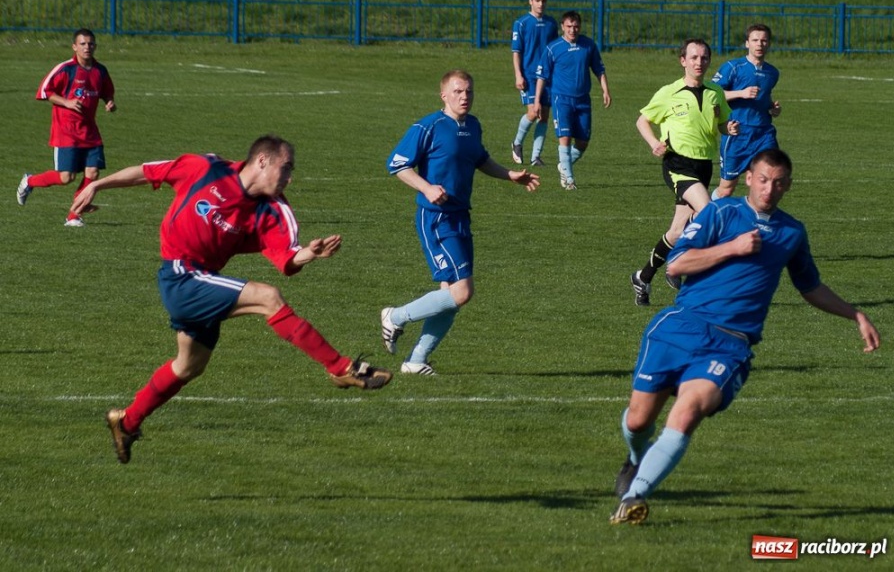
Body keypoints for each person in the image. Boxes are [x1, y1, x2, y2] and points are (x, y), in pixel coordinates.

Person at [69, 135, 392, 464]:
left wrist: (308, 254)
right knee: (268, 297)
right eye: (286, 168)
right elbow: (147, 172)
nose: (289, 178)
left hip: (201, 282)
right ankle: (340, 368)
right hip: (181, 275)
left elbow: (287, 258)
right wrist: (97, 185)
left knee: (188, 366)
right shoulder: (205, 169)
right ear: (262, 161)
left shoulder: (274, 210)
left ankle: (126, 422)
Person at [610, 149, 881, 525]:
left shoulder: (791, 232)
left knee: (687, 413)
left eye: (779, 183)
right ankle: (636, 458)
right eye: (764, 180)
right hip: (680, 327)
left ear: (788, 186)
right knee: (639, 422)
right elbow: (676, 264)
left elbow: (810, 286)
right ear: (750, 179)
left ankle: (634, 497)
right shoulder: (720, 213)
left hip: (730, 344)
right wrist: (732, 248)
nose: (770, 189)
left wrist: (855, 314)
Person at [380, 70, 540, 375]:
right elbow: (397, 164)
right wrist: (427, 188)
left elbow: (481, 160)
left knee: (450, 295)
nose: (464, 97)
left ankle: (416, 361)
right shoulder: (428, 126)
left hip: (461, 216)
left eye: (468, 91)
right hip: (436, 218)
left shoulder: (473, 126)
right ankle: (395, 316)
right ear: (444, 95)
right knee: (463, 291)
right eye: (457, 91)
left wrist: (510, 175)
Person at [631, 38, 739, 305]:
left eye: (704, 58)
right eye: (693, 57)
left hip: (704, 165)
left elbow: (721, 123)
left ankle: (643, 277)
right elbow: (642, 120)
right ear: (683, 61)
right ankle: (691, 272)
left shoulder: (715, 92)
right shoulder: (669, 92)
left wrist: (728, 128)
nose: (699, 62)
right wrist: (654, 143)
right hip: (677, 164)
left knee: (678, 230)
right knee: (709, 212)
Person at [16, 28, 116, 227]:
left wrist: (110, 102)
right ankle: (30, 181)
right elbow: (44, 91)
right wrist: (67, 102)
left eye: (90, 44)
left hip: (90, 131)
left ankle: (73, 215)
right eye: (83, 44)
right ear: (74, 47)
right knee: (66, 177)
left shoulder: (100, 71)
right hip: (66, 131)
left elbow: (107, 92)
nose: (87, 47)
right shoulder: (66, 69)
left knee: (93, 173)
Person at [532, 10, 611, 190]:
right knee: (565, 138)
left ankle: (563, 165)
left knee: (583, 142)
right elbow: (542, 76)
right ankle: (569, 180)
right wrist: (537, 101)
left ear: (580, 27)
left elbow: (599, 70)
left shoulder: (588, 45)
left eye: (576, 26)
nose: (572, 30)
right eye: (569, 26)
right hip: (561, 100)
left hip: (583, 101)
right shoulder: (553, 48)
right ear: (562, 27)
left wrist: (605, 90)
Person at [711, 23, 781, 201]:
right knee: (726, 190)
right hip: (737, 132)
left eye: (764, 40)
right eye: (755, 40)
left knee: (770, 178)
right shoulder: (733, 67)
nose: (760, 44)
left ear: (769, 44)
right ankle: (706, 213)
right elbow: (712, 94)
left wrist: (772, 108)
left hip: (764, 133)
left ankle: (758, 214)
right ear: (747, 43)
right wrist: (740, 93)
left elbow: (764, 97)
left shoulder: (772, 73)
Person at [510, 0, 558, 168]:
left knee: (544, 115)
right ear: (530, 1)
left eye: (543, 1)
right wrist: (518, 75)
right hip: (529, 75)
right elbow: (516, 52)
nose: (541, 4)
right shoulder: (521, 23)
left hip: (547, 76)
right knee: (533, 112)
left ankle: (535, 157)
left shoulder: (551, 23)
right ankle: (517, 143)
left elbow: (554, 51)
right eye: (537, 1)